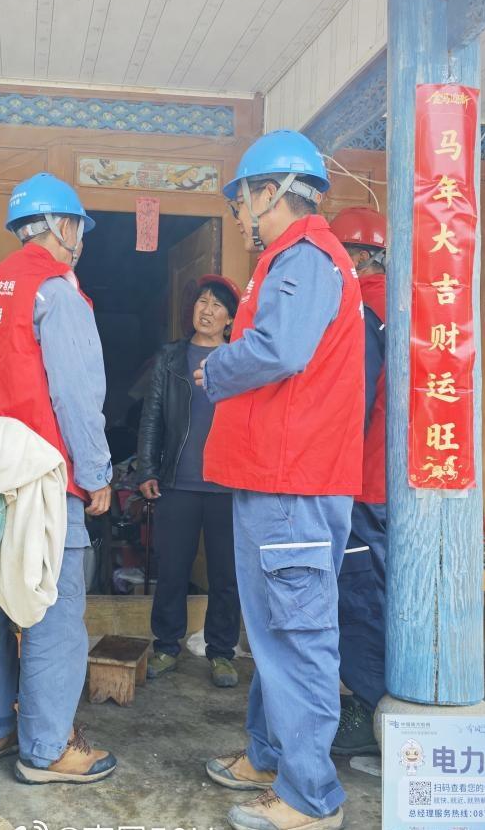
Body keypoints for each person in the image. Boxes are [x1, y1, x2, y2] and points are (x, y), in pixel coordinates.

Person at [198, 130, 364, 830]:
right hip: (280, 479)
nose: (239, 215)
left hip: (292, 484)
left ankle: (309, 797)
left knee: (295, 638)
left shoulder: (302, 257)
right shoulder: (306, 259)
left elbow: (279, 349)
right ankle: (269, 756)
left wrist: (214, 371)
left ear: (270, 192)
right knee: (272, 629)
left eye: (242, 200)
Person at [0, 172, 116, 785]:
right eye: (80, 231)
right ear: (64, 227)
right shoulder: (56, 291)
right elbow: (76, 395)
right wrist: (95, 473)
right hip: (41, 482)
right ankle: (46, 750)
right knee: (50, 612)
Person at [136, 274, 243, 689]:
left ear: (230, 320)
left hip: (228, 486)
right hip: (178, 481)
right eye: (202, 302)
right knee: (173, 570)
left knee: (225, 575)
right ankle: (165, 645)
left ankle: (222, 652)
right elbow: (152, 415)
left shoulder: (239, 358)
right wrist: (147, 469)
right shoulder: (170, 357)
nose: (208, 310)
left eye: (217, 305)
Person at [326, 206, 388, 757]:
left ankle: (371, 712)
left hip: (364, 481)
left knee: (360, 597)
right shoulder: (407, 304)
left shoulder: (364, 308)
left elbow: (355, 401)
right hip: (402, 485)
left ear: (356, 257)